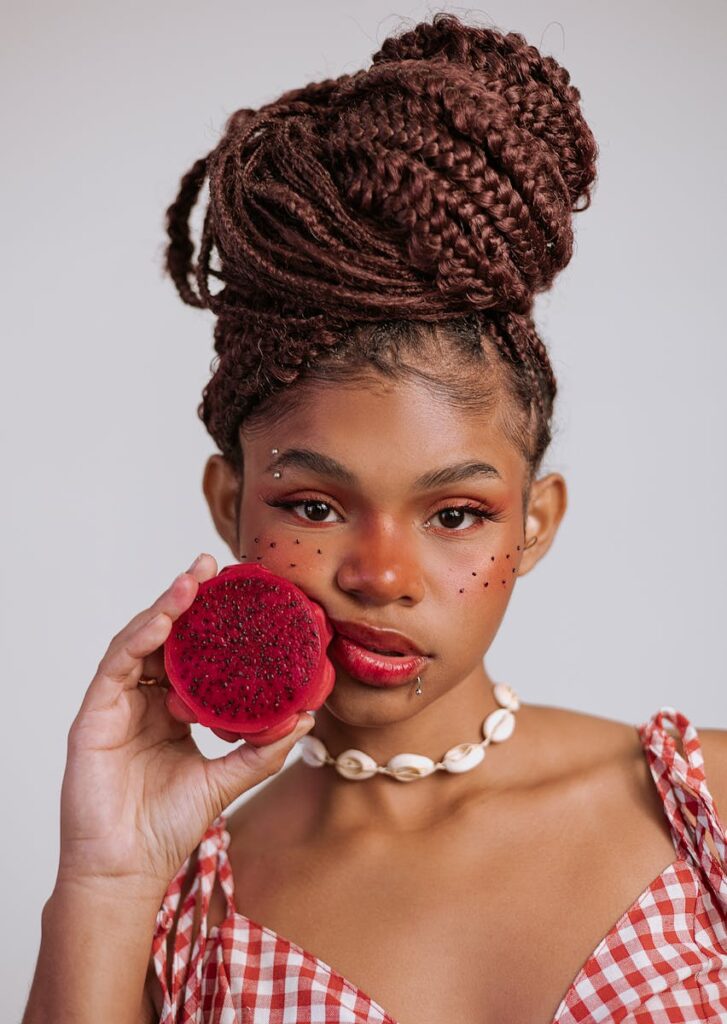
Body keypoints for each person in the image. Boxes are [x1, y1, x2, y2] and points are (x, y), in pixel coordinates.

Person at [22, 12, 727, 1024]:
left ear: (534, 523)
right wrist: (106, 878)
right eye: (313, 504)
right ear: (230, 505)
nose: (380, 573)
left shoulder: (697, 810)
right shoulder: (170, 916)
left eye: (454, 513)